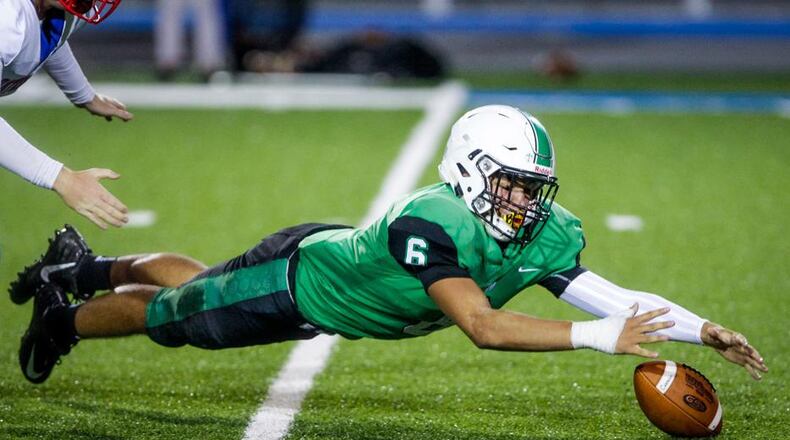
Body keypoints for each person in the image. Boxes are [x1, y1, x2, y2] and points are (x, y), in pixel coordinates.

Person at [11, 105, 767, 386]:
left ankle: (79, 267)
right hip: (300, 282)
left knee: (196, 288)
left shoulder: (541, 234)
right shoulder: (428, 221)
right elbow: (483, 327)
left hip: (331, 280)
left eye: (534, 188)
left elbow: (613, 299)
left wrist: (702, 328)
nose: (527, 203)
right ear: (473, 171)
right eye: (513, 185)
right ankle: (61, 316)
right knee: (175, 319)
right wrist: (602, 341)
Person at [1, 0, 132, 229]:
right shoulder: (7, 18)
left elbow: (47, 39)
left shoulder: (54, 7)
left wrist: (83, 94)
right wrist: (61, 178)